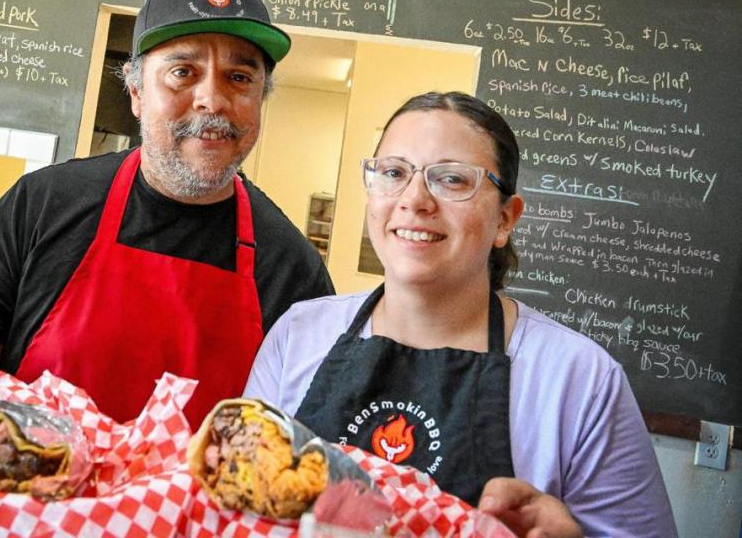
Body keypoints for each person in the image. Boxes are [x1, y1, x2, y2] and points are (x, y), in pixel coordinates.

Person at [0, 0, 334, 425]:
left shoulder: (294, 270)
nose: (212, 100)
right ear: (137, 92)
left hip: (192, 499)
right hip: (24, 491)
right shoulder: (42, 205)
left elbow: (305, 440)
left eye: (239, 77)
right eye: (183, 72)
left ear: (261, 99)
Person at [244, 92, 677, 537]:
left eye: (451, 180)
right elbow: (237, 511)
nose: (414, 199)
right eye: (393, 172)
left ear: (506, 220)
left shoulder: (579, 379)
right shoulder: (298, 334)